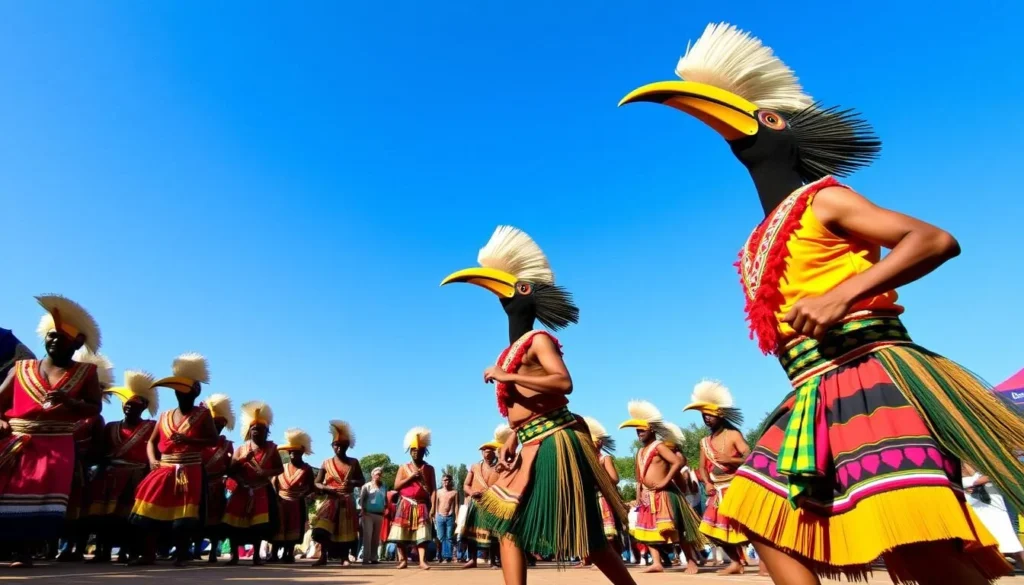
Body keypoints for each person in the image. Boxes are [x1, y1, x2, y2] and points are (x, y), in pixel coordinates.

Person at [620, 22, 1024, 585]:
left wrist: (842, 294)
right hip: (810, 390)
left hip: (869, 374)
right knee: (755, 514)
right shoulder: (759, 238)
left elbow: (933, 240)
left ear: (787, 136)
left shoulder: (825, 198)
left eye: (764, 120)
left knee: (913, 540)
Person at [441, 226, 636, 585]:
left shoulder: (539, 339)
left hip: (555, 442)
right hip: (531, 442)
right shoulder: (513, 349)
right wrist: (513, 436)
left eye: (517, 288)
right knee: (508, 526)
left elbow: (563, 382)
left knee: (587, 536)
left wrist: (507, 375)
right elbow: (526, 405)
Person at [0, 295, 104, 568]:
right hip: (18, 441)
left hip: (57, 445)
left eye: (63, 337)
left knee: (39, 499)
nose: (55, 340)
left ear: (77, 343)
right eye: (52, 335)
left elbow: (94, 408)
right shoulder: (21, 368)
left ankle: (24, 552)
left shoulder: (86, 373)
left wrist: (71, 402)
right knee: (9, 491)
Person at [129, 353, 218, 566]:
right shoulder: (165, 416)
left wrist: (189, 439)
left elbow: (213, 439)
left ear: (195, 393)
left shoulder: (203, 415)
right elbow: (151, 442)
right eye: (178, 391)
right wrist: (152, 460)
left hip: (190, 470)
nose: (181, 395)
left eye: (185, 391)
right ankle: (148, 554)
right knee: (149, 511)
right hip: (164, 468)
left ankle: (181, 554)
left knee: (183, 515)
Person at [620, 401, 705, 574]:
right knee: (647, 531)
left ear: (651, 429)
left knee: (677, 529)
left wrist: (666, 480)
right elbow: (639, 477)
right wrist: (639, 494)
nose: (639, 433)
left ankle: (691, 562)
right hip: (647, 496)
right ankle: (657, 562)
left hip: (665, 494)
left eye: (642, 430)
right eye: (637, 431)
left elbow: (677, 462)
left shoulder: (659, 446)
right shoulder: (640, 452)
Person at [85, 369, 158, 564]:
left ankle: (128, 552)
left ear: (144, 406)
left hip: (137, 477)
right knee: (104, 516)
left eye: (135, 404)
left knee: (130, 518)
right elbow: (101, 452)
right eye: (127, 403)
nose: (129, 407)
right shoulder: (111, 427)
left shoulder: (151, 427)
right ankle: (102, 552)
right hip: (110, 477)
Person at [682, 380, 752, 575]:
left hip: (735, 486)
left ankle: (765, 562)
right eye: (704, 416)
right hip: (716, 491)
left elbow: (750, 456)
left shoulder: (733, 435)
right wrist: (706, 482)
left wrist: (730, 459)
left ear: (720, 415)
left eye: (710, 415)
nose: (706, 418)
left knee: (746, 526)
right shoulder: (704, 442)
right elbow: (702, 467)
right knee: (710, 529)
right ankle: (736, 562)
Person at [58, 349, 112, 562]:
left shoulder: (95, 419)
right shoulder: (64, 411)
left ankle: (76, 548)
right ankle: (59, 547)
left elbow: (99, 447)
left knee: (81, 511)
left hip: (83, 469)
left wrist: (86, 465)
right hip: (61, 463)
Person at [221, 401, 283, 565]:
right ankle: (234, 556)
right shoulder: (241, 449)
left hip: (261, 490)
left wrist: (266, 473)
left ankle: (256, 556)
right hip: (242, 490)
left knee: (258, 526)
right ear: (249, 431)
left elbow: (280, 469)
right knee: (233, 525)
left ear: (266, 431)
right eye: (254, 428)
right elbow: (230, 470)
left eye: (261, 429)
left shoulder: (272, 449)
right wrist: (243, 460)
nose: (256, 431)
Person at [311, 420, 363, 566]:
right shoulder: (326, 463)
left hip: (346, 500)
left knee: (344, 531)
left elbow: (362, 480)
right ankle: (323, 556)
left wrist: (352, 482)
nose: (339, 448)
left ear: (347, 446)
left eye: (342, 445)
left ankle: (344, 557)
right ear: (332, 446)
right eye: (336, 445)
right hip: (330, 500)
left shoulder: (353, 462)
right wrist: (327, 488)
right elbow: (317, 482)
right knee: (323, 528)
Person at [460, 424, 509, 569]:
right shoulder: (475, 467)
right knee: (472, 534)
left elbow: (505, 484)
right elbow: (466, 485)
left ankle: (493, 561)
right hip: (476, 504)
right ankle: (472, 559)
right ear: (481, 453)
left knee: (493, 533)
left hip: (493, 503)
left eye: (490, 451)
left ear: (494, 452)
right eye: (484, 452)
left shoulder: (500, 467)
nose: (487, 454)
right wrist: (471, 493)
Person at [578, 416, 622, 569]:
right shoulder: (585, 459)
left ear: (600, 443)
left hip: (603, 497)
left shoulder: (604, 458)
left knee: (608, 532)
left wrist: (599, 477)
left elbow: (614, 479)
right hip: (590, 497)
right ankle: (595, 559)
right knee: (594, 531)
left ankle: (613, 560)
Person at [388, 427, 436, 570]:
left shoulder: (429, 469)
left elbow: (433, 490)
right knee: (400, 533)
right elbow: (396, 486)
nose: (416, 452)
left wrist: (433, 507)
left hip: (422, 504)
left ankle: (422, 561)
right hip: (405, 503)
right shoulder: (403, 467)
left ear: (424, 452)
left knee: (422, 534)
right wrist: (410, 477)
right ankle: (403, 560)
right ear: (410, 451)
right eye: (413, 450)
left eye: (419, 450)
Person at [196, 393, 235, 563]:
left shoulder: (227, 445)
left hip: (217, 486)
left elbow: (230, 466)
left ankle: (213, 551)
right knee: (194, 516)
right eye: (214, 424)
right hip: (197, 483)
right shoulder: (198, 441)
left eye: (220, 425)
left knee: (216, 521)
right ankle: (193, 549)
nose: (217, 428)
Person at [962, 462, 1024, 568]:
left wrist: (975, 483)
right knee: (1003, 545)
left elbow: (996, 474)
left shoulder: (984, 472)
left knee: (1012, 545)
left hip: (995, 511)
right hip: (980, 512)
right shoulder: (965, 478)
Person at [271, 428, 314, 564]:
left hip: (297, 502)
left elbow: (311, 486)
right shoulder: (282, 467)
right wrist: (275, 497)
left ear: (302, 453)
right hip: (280, 502)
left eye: (296, 452)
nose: (293, 455)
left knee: (293, 528)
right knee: (278, 527)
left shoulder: (306, 469)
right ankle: (273, 554)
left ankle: (288, 553)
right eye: (291, 452)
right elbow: (274, 482)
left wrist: (303, 494)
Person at [358, 466, 387, 564]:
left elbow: (385, 499)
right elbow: (361, 500)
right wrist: (363, 510)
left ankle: (374, 557)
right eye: (377, 474)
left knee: (376, 537)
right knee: (368, 536)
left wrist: (385, 508)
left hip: (379, 514)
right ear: (372, 475)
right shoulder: (367, 486)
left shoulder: (384, 486)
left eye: (380, 474)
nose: (379, 476)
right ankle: (365, 558)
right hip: (368, 514)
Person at [435, 474, 458, 563]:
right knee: (440, 537)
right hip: (440, 516)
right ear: (442, 481)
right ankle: (439, 556)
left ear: (451, 481)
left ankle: (447, 556)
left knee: (449, 537)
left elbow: (456, 505)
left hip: (450, 516)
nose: (446, 482)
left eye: (447, 480)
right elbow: (436, 504)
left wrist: (457, 518)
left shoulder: (454, 492)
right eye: (444, 480)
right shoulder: (438, 492)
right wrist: (435, 515)